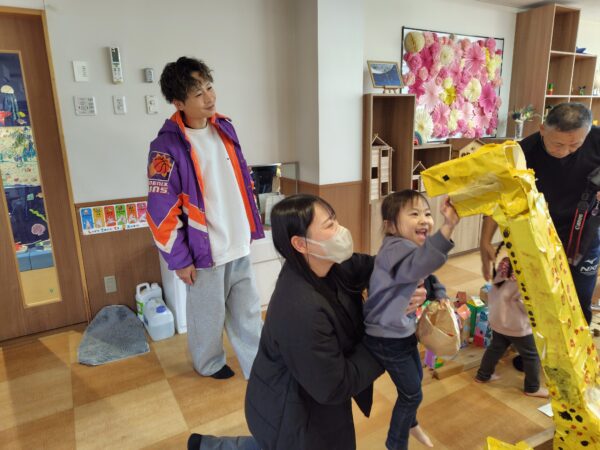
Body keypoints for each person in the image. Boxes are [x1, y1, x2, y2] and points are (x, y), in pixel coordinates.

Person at [188, 194, 428, 450]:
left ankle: (208, 446)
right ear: (301, 244)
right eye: (330, 225)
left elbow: (378, 267)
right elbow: (336, 385)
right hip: (287, 409)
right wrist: (385, 333)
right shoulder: (300, 308)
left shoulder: (331, 265)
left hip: (310, 395)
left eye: (335, 220)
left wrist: (412, 286)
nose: (341, 230)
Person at [147, 57, 263, 380]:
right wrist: (179, 259)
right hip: (205, 251)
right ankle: (208, 363)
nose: (210, 98)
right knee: (207, 316)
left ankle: (259, 365)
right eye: (198, 94)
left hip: (237, 239)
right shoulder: (165, 148)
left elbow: (240, 180)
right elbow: (160, 211)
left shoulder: (224, 128)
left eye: (209, 87)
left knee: (248, 311)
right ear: (178, 103)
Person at [481, 102, 600, 325]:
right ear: (543, 129)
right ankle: (535, 345)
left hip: (584, 233)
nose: (565, 151)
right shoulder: (523, 152)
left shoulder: (596, 139)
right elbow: (500, 196)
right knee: (538, 298)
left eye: (575, 145)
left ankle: (578, 345)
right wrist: (485, 240)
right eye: (558, 144)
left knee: (579, 298)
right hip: (539, 233)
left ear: (587, 133)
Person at [363, 189, 460, 450]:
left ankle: (411, 421)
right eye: (414, 214)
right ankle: (396, 443)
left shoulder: (411, 249)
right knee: (412, 393)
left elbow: (428, 274)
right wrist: (448, 226)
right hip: (385, 338)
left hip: (402, 331)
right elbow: (421, 264)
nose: (424, 220)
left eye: (427, 213)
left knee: (415, 381)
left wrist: (439, 293)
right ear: (390, 226)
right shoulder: (395, 249)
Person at [475, 243, 548, 398]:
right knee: (531, 355)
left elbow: (495, 292)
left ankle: (483, 375)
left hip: (498, 322)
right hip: (517, 327)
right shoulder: (525, 277)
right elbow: (526, 305)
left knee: (495, 348)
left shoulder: (504, 266)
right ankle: (532, 388)